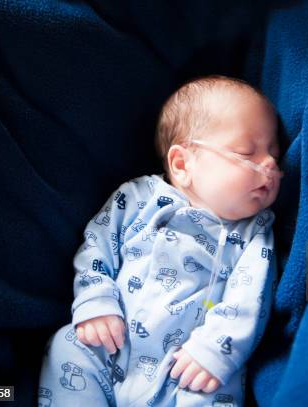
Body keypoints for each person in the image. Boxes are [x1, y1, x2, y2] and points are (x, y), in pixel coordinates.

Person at [38, 75, 282, 406]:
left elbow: (250, 296)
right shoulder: (138, 199)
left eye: (274, 156)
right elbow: (97, 248)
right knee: (68, 345)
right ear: (182, 165)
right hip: (113, 345)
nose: (269, 165)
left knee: (212, 393)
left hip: (187, 366)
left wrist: (215, 350)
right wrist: (95, 301)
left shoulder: (252, 231)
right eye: (245, 152)